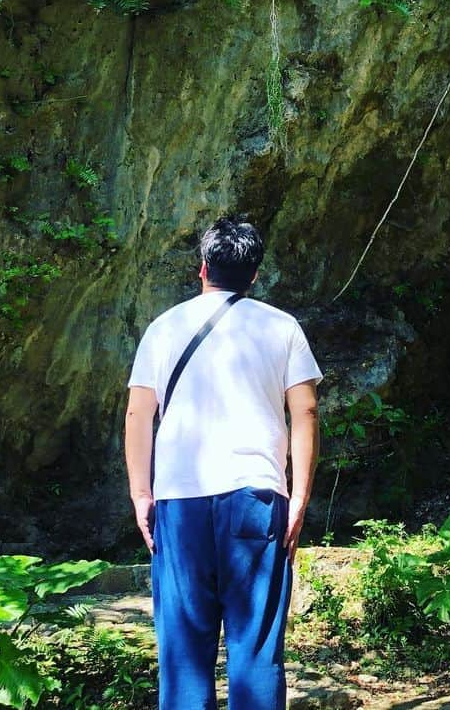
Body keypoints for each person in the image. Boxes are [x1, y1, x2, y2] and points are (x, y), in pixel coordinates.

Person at [124, 216, 322, 710]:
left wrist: (141, 494)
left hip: (179, 500)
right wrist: (298, 497)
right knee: (255, 644)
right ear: (255, 274)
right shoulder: (283, 327)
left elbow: (138, 415)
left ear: (202, 267)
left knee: (184, 649)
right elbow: (306, 411)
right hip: (256, 496)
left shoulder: (163, 328)